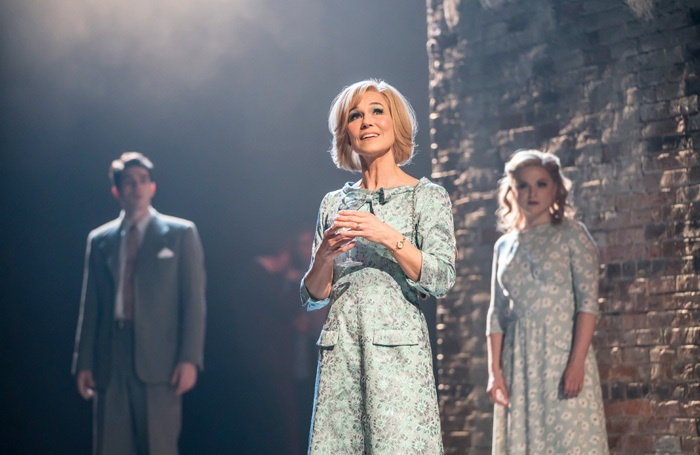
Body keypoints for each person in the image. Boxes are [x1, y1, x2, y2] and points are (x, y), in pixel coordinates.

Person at [300, 79, 456, 454]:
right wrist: (323, 256)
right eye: (355, 115)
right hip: (343, 357)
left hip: (398, 356)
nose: (366, 121)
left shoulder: (427, 197)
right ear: (347, 133)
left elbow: (441, 278)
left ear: (395, 122)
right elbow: (314, 296)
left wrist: (387, 235)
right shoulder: (332, 204)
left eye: (376, 111)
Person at [72, 152, 206, 455]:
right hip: (110, 354)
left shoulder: (180, 233)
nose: (137, 187)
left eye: (143, 181)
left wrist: (189, 357)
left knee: (157, 445)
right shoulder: (100, 239)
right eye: (129, 182)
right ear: (116, 190)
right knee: (111, 445)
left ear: (153, 187)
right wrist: (84, 362)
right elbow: (90, 305)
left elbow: (193, 301)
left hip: (160, 358)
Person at [485, 150, 608, 455]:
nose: (531, 193)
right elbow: (496, 312)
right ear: (512, 191)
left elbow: (588, 305)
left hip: (561, 357)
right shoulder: (504, 246)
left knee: (569, 441)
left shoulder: (572, 236)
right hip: (518, 363)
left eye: (541, 184)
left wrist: (577, 363)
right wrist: (494, 371)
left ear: (555, 188)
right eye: (523, 185)